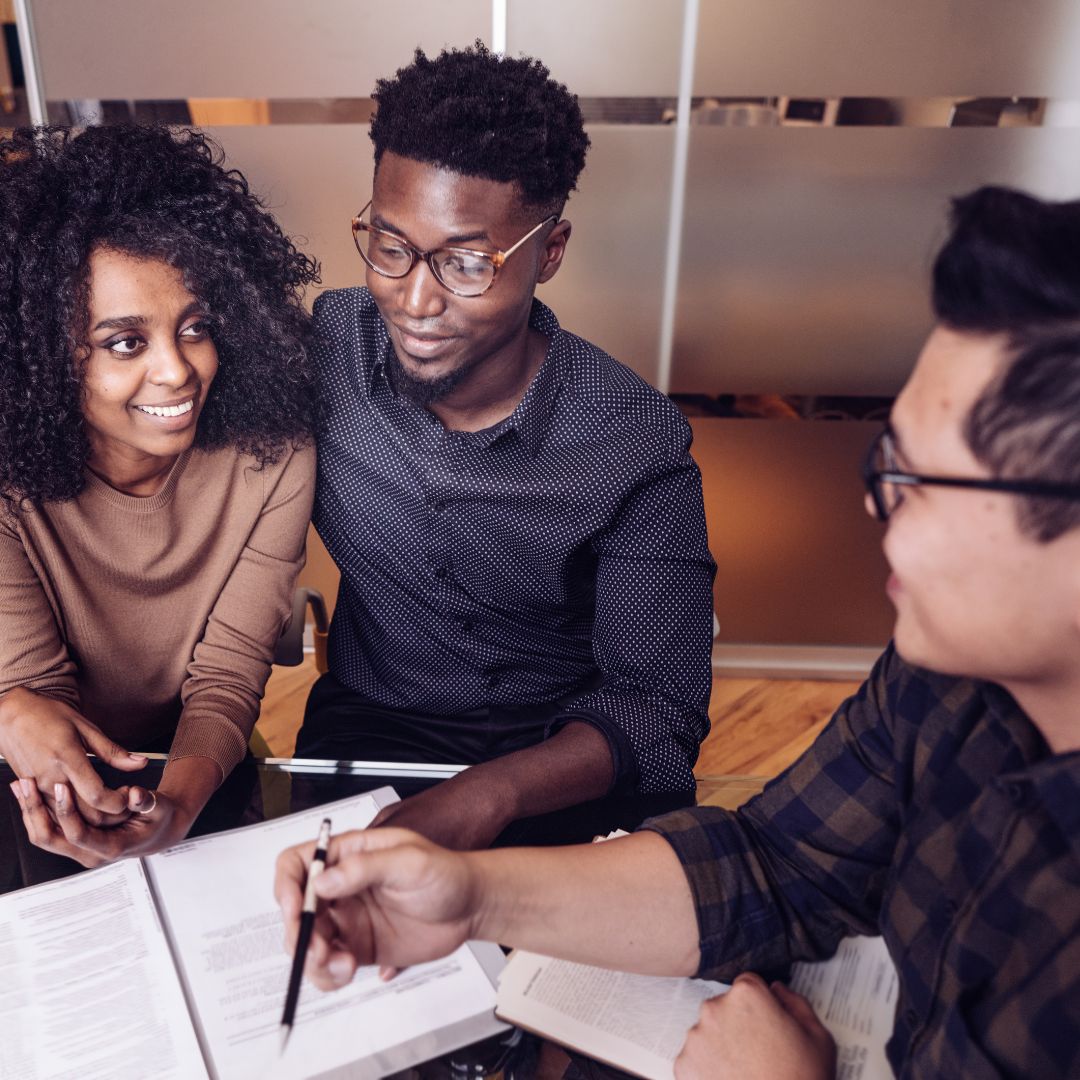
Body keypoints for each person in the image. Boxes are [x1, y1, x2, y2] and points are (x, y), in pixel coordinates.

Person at [276, 185, 1080, 1078]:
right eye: (884, 457)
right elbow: (777, 862)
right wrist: (466, 900)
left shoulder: (628, 439)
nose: (873, 502)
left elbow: (655, 716)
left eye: (924, 480)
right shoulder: (943, 684)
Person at [296, 43, 716, 849]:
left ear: (548, 254)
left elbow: (655, 700)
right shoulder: (322, 353)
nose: (415, 300)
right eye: (390, 246)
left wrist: (490, 796)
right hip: (374, 721)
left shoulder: (634, 439)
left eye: (465, 263)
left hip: (561, 746)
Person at [1, 124, 320, 868]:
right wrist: (78, 792)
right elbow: (36, 691)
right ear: (48, 355)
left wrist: (170, 811)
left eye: (196, 328)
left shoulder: (271, 452)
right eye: (125, 342)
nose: (178, 372)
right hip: (31, 747)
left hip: (190, 752)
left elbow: (229, 672)